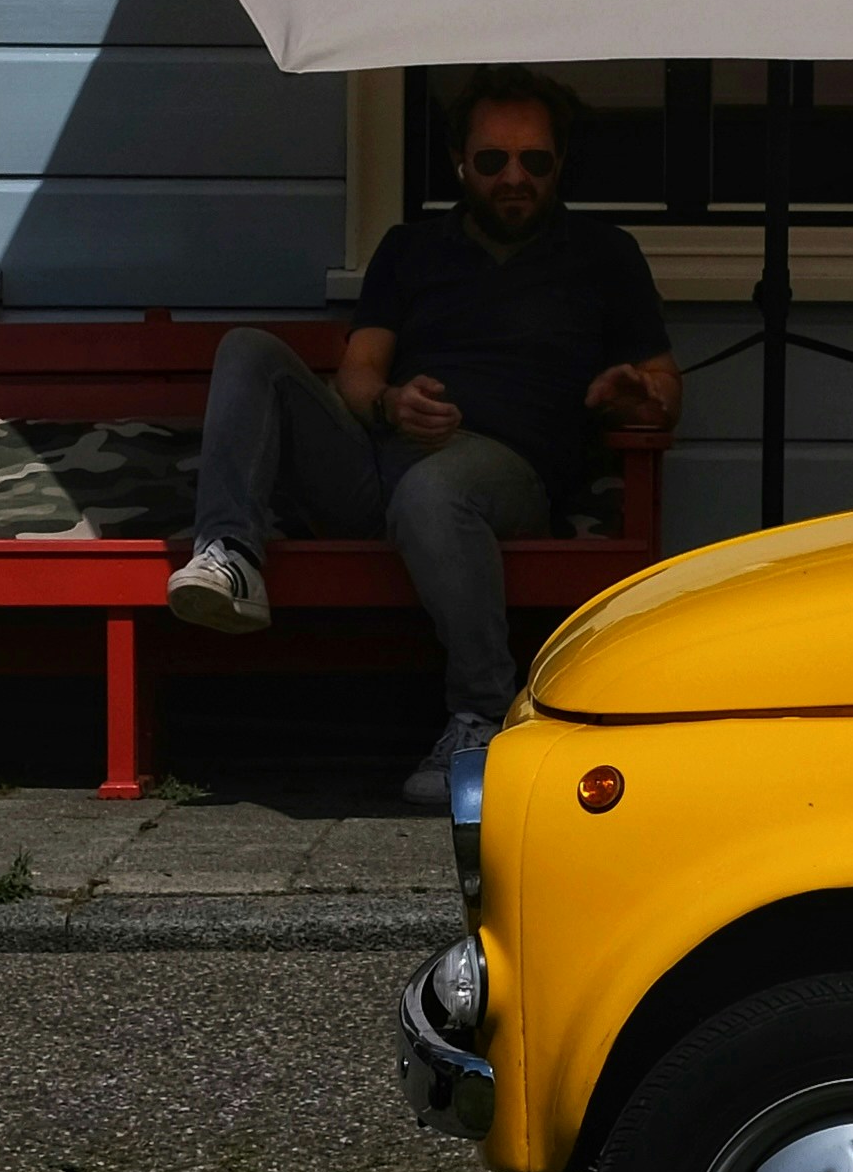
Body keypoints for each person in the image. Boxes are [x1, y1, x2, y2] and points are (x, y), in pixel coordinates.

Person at [166, 65, 680, 806]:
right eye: (493, 159)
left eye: (535, 161)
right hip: (377, 462)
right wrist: (389, 403)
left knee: (434, 492)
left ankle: (483, 716)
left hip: (504, 470)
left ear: (560, 164)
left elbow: (665, 389)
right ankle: (231, 554)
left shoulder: (603, 254)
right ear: (460, 163)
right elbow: (358, 373)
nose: (514, 177)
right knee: (248, 349)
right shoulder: (412, 248)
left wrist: (632, 398)